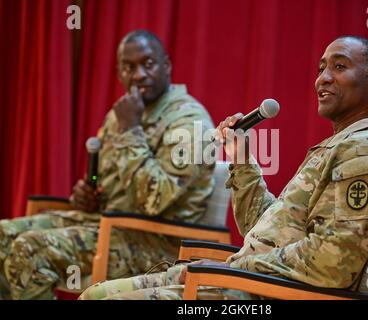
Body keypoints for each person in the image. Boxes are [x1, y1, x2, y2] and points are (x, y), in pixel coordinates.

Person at [79, 35, 368, 300]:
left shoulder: (365, 151)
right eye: (321, 67)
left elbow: (332, 266)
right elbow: (261, 230)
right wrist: (241, 158)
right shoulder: (341, 146)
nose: (322, 78)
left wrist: (237, 266)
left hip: (264, 293)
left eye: (340, 67)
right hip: (244, 281)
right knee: (94, 293)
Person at [0, 30, 215, 300]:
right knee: (2, 236)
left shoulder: (190, 121)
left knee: (29, 249)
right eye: (129, 67)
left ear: (166, 65)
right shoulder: (123, 114)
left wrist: (130, 131)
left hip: (158, 242)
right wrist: (86, 194)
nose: (138, 75)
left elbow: (154, 201)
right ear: (119, 73)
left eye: (148, 64)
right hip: (109, 225)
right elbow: (104, 182)